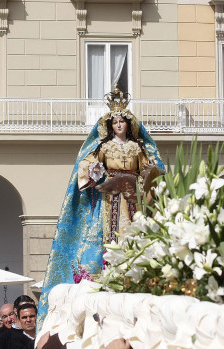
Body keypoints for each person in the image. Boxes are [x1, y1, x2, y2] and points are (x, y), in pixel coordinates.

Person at [39, 88, 165, 324]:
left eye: (122, 122)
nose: (119, 125)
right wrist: (96, 174)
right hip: (109, 199)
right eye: (115, 122)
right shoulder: (104, 148)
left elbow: (152, 171)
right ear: (110, 126)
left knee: (135, 232)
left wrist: (143, 178)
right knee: (106, 237)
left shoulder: (138, 148)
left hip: (133, 197)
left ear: (129, 125)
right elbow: (87, 167)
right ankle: (104, 270)